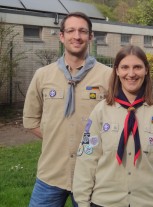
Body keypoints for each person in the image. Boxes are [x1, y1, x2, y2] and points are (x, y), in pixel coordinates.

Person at [73, 45, 153, 207]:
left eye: (137, 67)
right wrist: (82, 201)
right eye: (125, 67)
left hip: (149, 202)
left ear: (146, 70)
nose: (131, 74)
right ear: (117, 71)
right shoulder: (101, 111)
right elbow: (87, 159)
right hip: (106, 202)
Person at [23, 12, 112, 207]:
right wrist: (57, 138)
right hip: (51, 175)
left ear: (90, 36)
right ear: (62, 36)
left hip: (94, 176)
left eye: (82, 31)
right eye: (71, 31)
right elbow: (30, 121)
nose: (77, 36)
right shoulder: (42, 76)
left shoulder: (109, 77)